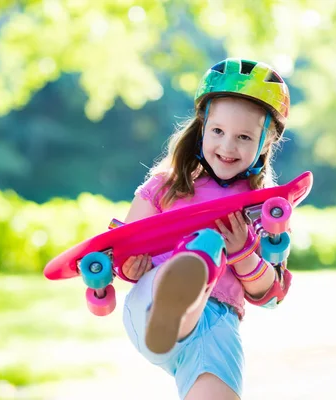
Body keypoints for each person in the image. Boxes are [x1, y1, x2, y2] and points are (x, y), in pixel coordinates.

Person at [121, 58, 293, 400]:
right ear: (202, 129)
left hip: (217, 329)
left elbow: (270, 294)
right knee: (208, 243)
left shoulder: (263, 209)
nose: (228, 147)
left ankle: (184, 307)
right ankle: (177, 307)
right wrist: (130, 265)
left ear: (265, 143)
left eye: (244, 137)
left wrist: (244, 253)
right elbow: (125, 245)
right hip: (150, 305)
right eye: (218, 131)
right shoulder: (165, 187)